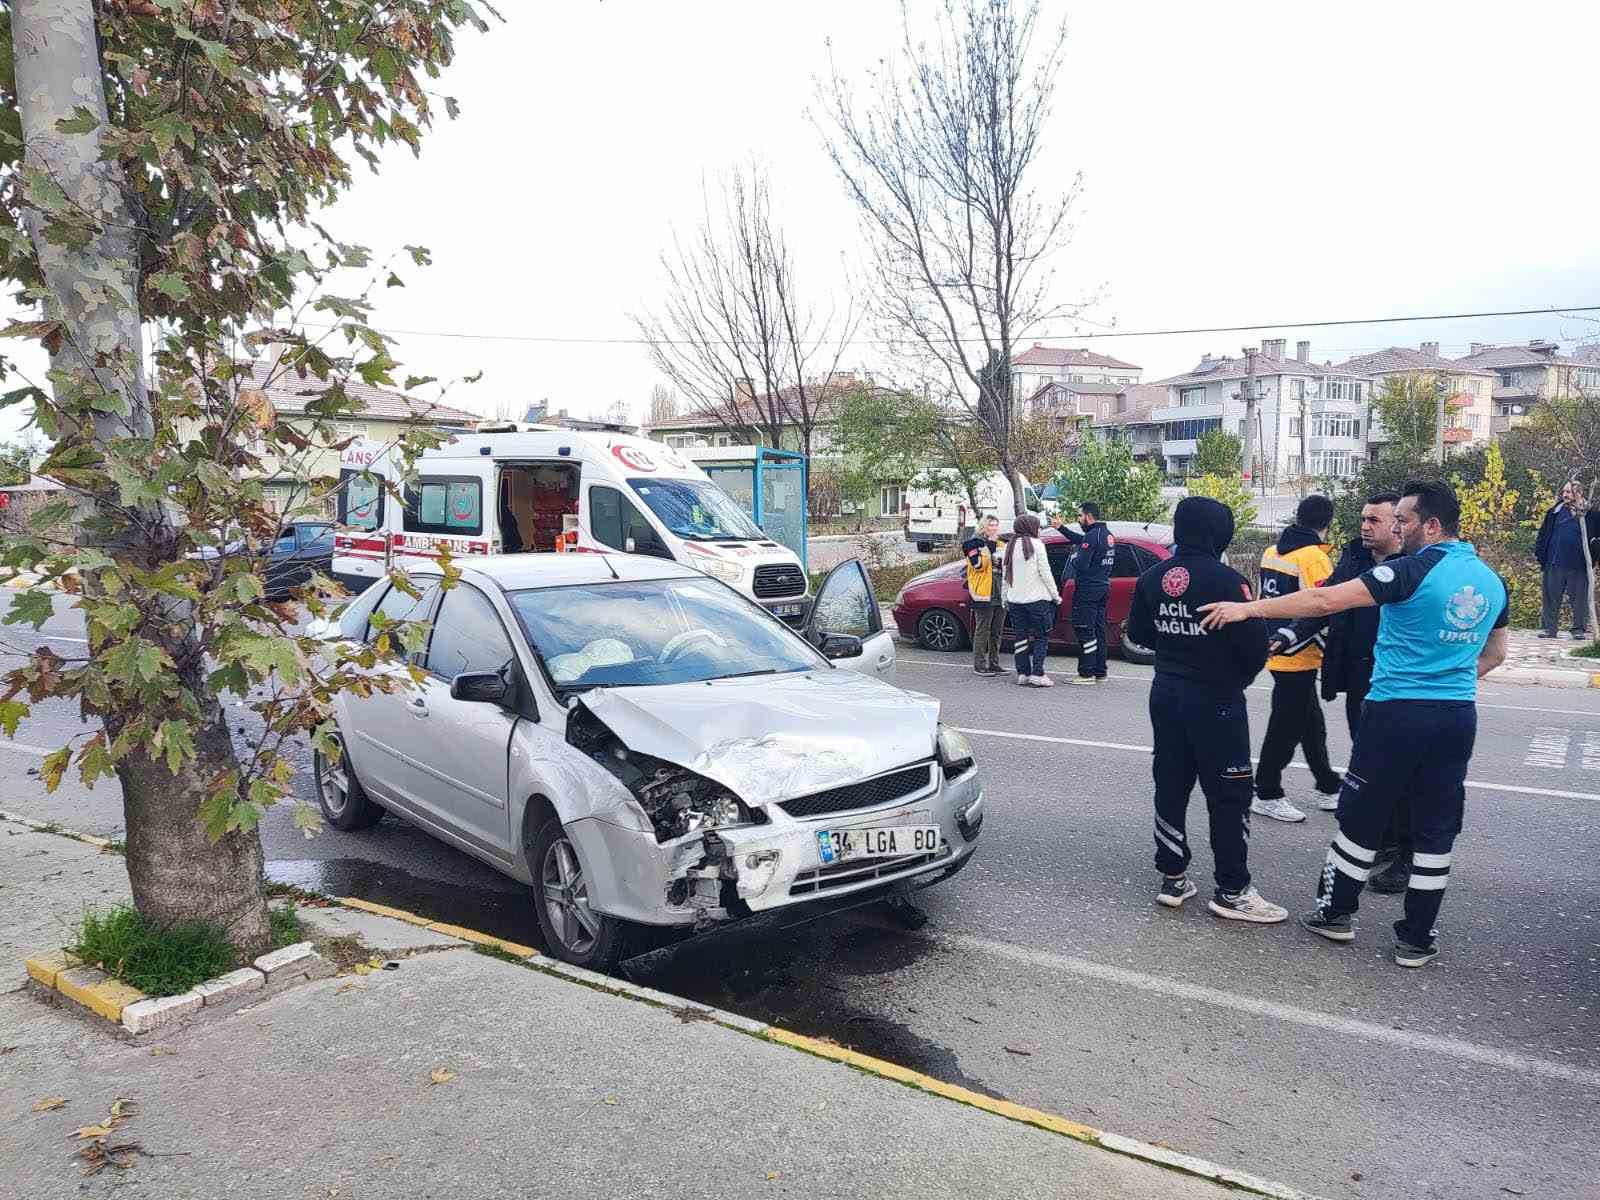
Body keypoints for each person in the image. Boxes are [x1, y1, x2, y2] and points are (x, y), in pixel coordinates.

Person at [1199, 480, 1509, 968]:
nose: (1397, 529)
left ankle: (1335, 913)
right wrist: (1446, 678)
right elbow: (1496, 653)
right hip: (1455, 716)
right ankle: (1417, 938)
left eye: (1404, 520)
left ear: (1432, 526)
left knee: (1361, 814)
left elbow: (1324, 602)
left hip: (1395, 713)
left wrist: (1249, 608)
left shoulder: (1408, 570)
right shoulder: (1491, 581)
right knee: (1436, 828)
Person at [1125, 496, 1287, 924]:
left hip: (1166, 693)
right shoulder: (1229, 582)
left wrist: (1177, 644)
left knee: (1170, 782)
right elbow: (1254, 648)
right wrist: (1233, 676)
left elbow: (1139, 633)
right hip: (1216, 699)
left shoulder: (1152, 577)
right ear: (1220, 533)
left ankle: (1172, 876)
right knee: (1230, 793)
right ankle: (1233, 889)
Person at [1283, 492, 1411, 892]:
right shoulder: (1354, 557)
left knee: (1401, 772)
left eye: (1374, 520)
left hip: (1399, 686)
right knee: (1369, 766)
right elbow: (1325, 601)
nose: (1365, 526)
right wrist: (1290, 634)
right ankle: (1385, 839)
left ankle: (1406, 856)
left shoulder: (1414, 566)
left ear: (1397, 525)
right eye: (1363, 518)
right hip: (1360, 682)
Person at [1251, 494, 1344, 823]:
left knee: (1310, 724)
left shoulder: (1271, 552)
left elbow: (1266, 598)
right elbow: (1322, 606)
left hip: (1275, 645)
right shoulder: (1314, 558)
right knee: (1286, 728)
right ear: (1328, 522)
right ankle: (1266, 791)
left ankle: (1328, 784)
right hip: (1298, 651)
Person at [1050, 501, 1114, 685]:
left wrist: (1074, 556)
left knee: (1085, 630)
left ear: (1088, 516)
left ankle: (1086, 673)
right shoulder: (1106, 534)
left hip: (1088, 590)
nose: (1079, 520)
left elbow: (1081, 564)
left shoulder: (1092, 537)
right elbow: (1082, 540)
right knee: (1099, 631)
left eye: (1080, 516)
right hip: (1102, 587)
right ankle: (1100, 672)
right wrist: (1061, 528)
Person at [1534, 481, 1599, 640]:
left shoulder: (1591, 514)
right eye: (1564, 492)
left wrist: (1594, 555)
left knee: (1580, 600)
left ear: (1579, 493)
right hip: (1554, 562)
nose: (1564, 495)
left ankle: (1578, 629)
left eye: (1569, 492)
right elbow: (1542, 535)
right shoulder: (1554, 512)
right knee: (1550, 598)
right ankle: (1549, 629)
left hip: (1579, 565)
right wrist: (1541, 554)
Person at [1003, 513, 1059, 687]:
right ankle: (1038, 673)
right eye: (1038, 526)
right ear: (1030, 527)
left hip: (1015, 600)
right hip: (1037, 600)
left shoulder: (1010, 546)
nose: (1040, 529)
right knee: (1041, 636)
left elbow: (1006, 575)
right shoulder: (1037, 545)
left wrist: (1005, 597)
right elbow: (1045, 573)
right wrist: (1056, 596)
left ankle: (1023, 673)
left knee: (1020, 637)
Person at [962, 515, 1006, 675]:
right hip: (982, 593)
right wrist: (991, 547)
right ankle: (979, 665)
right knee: (983, 630)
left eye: (996, 525)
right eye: (990, 525)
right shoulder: (973, 544)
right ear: (983, 527)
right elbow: (978, 565)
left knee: (997, 631)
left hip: (1000, 591)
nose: (994, 528)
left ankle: (994, 663)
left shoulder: (1001, 544)